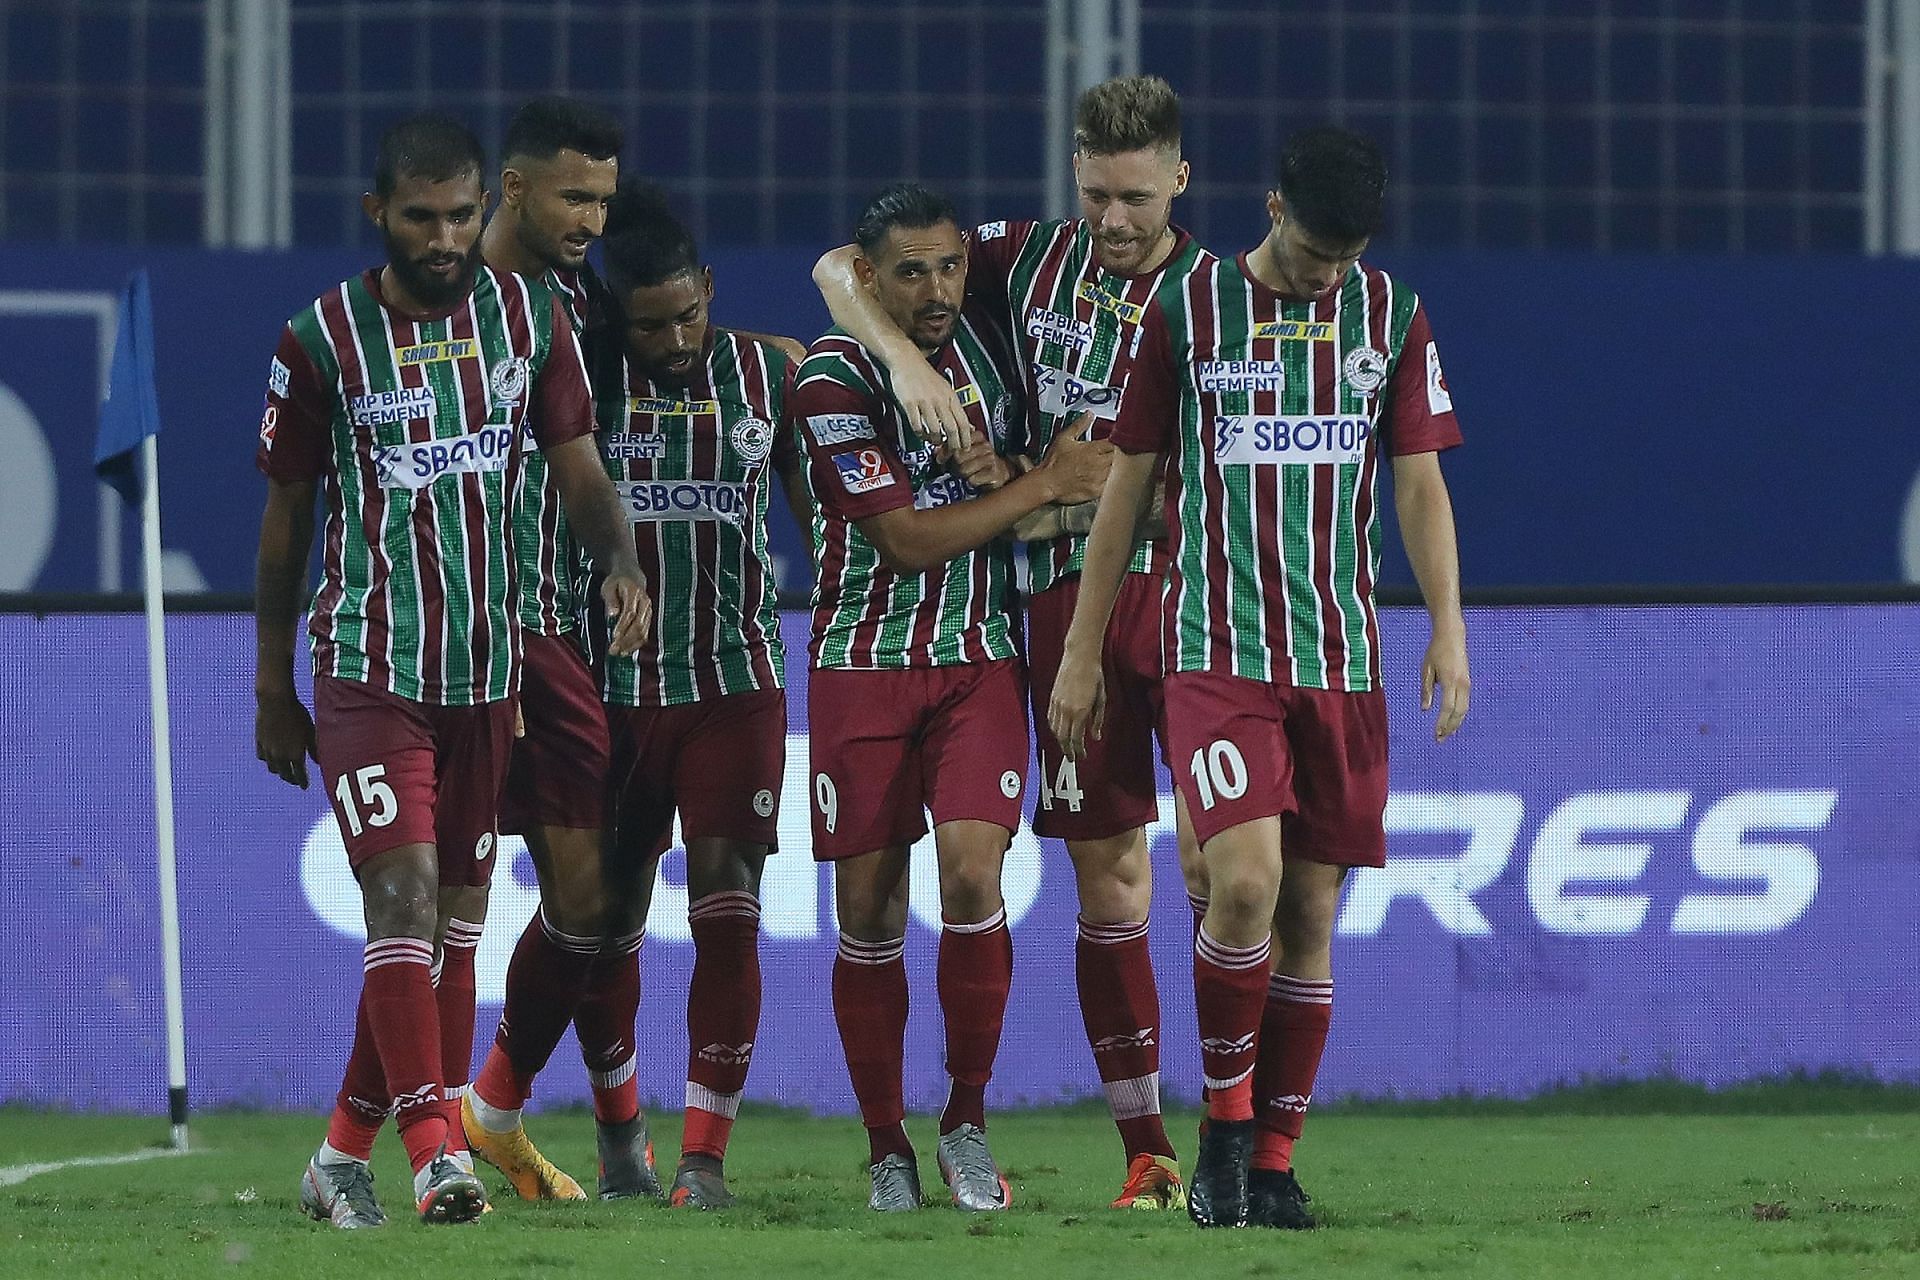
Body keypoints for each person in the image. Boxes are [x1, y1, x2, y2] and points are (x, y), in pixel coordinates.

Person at [1049, 124, 1471, 1229]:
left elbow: (1419, 485)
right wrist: (1085, 651)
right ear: (1274, 207)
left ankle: (1275, 1164)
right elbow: (1126, 490)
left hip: (1339, 655)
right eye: (1317, 250)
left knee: (1312, 909)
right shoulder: (1186, 315)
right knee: (1241, 882)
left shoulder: (1393, 315)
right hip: (1216, 650)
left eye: (1349, 256)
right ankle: (1224, 1136)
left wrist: (1447, 626)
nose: (1331, 274)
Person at [812, 75, 1208, 1210]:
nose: (1115, 222)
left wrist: (1072, 494)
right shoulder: (1027, 258)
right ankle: (1148, 1149)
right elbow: (842, 266)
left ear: (1179, 181)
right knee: (1108, 874)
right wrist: (905, 360)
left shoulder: (1220, 298)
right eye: (1096, 195)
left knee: (1226, 872)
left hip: (1184, 596)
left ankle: (1240, 1131)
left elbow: (1213, 480)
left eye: (1136, 198)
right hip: (1054, 604)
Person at [253, 111, 648, 1228]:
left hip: (487, 672)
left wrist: (618, 560)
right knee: (406, 899)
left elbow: (578, 469)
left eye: (460, 216)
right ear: (378, 213)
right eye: (419, 217)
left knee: (456, 926)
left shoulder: (528, 321)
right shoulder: (320, 338)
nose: (441, 237)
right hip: (371, 663)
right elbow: (285, 524)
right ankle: (435, 1152)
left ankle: (340, 1151)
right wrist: (272, 686)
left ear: (485, 210)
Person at [792, 182, 1113, 1213]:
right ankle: (886, 1143)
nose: (936, 290)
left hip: (979, 657)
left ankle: (966, 1121)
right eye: (912, 272)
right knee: (868, 909)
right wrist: (1036, 485)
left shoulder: (996, 351)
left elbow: (1039, 475)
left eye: (948, 267)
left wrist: (1016, 471)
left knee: (976, 877)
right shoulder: (834, 377)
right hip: (859, 662)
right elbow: (906, 537)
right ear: (873, 278)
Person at [575, 184, 811, 1208]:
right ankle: (620, 1126)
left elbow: (827, 521)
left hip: (735, 682)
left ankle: (704, 1158)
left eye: (689, 313)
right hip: (613, 691)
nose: (676, 338)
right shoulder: (576, 388)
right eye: (650, 324)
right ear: (610, 317)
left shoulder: (774, 374)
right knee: (607, 917)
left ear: (712, 288)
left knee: (730, 907)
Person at [457, 95, 664, 1204]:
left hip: (557, 628)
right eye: (574, 195)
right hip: (469, 633)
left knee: (591, 901)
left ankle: (490, 1111)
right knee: (435, 894)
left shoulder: (570, 302)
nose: (591, 216)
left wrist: (619, 565)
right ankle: (409, 1132)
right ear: (516, 187)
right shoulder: (447, 308)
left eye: (604, 197)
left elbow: (579, 467)